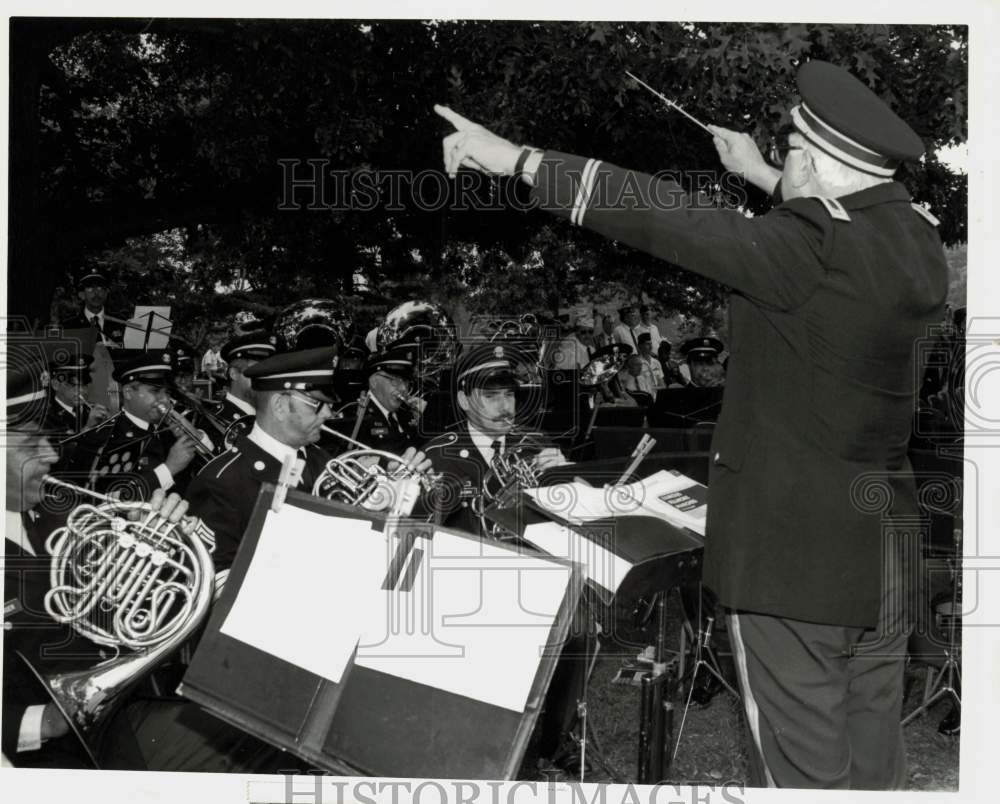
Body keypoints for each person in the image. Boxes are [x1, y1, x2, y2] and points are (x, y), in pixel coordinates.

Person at [435, 57, 947, 789]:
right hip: (883, 549)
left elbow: (663, 213)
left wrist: (516, 159)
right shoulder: (914, 243)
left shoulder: (799, 251)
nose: (787, 166)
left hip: (793, 566)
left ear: (816, 163)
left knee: (806, 774)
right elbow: (844, 222)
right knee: (873, 762)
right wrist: (769, 173)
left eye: (796, 154)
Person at [421, 344, 568, 536]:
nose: (504, 406)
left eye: (509, 394)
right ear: (464, 400)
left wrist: (563, 478)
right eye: (491, 396)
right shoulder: (436, 457)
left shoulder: (536, 444)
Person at [60, 349, 199, 498]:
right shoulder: (102, 438)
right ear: (127, 392)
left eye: (167, 392)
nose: (165, 400)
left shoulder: (167, 431)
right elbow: (106, 500)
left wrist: (197, 437)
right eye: (155, 391)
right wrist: (169, 469)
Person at [333, 345, 426, 456]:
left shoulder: (407, 411)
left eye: (405, 381)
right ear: (374, 382)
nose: (403, 388)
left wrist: (424, 420)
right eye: (395, 381)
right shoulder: (354, 413)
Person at [211, 331, 277, 428]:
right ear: (234, 374)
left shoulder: (270, 415)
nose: (265, 378)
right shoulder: (215, 421)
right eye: (256, 371)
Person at [42, 351, 108, 436]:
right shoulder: (47, 418)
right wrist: (89, 427)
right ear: (56, 385)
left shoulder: (91, 410)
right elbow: (66, 448)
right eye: (73, 384)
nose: (81, 390)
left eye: (84, 384)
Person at [59, 269, 125, 347]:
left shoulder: (121, 323)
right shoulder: (69, 327)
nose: (96, 293)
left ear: (105, 294)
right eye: (90, 289)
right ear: (82, 295)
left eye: (100, 288)